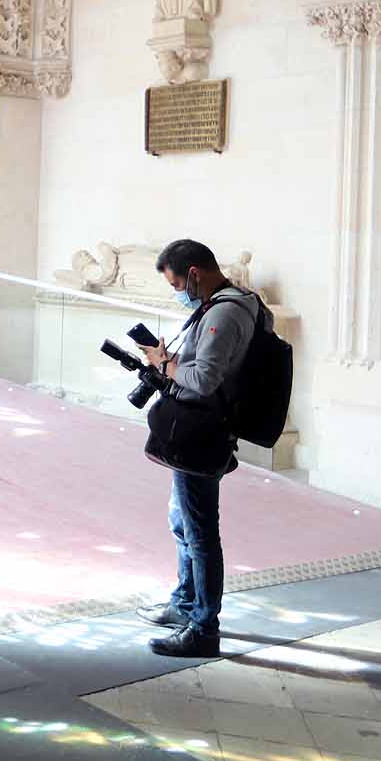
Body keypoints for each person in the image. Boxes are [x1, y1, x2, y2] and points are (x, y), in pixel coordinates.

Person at [134, 238, 273, 658]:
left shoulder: (226, 312)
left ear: (194, 273)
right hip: (203, 428)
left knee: (200, 532)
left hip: (202, 431)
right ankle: (184, 603)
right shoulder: (241, 303)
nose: (179, 292)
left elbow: (205, 378)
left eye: (178, 283)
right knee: (184, 521)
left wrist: (165, 365)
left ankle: (203, 627)